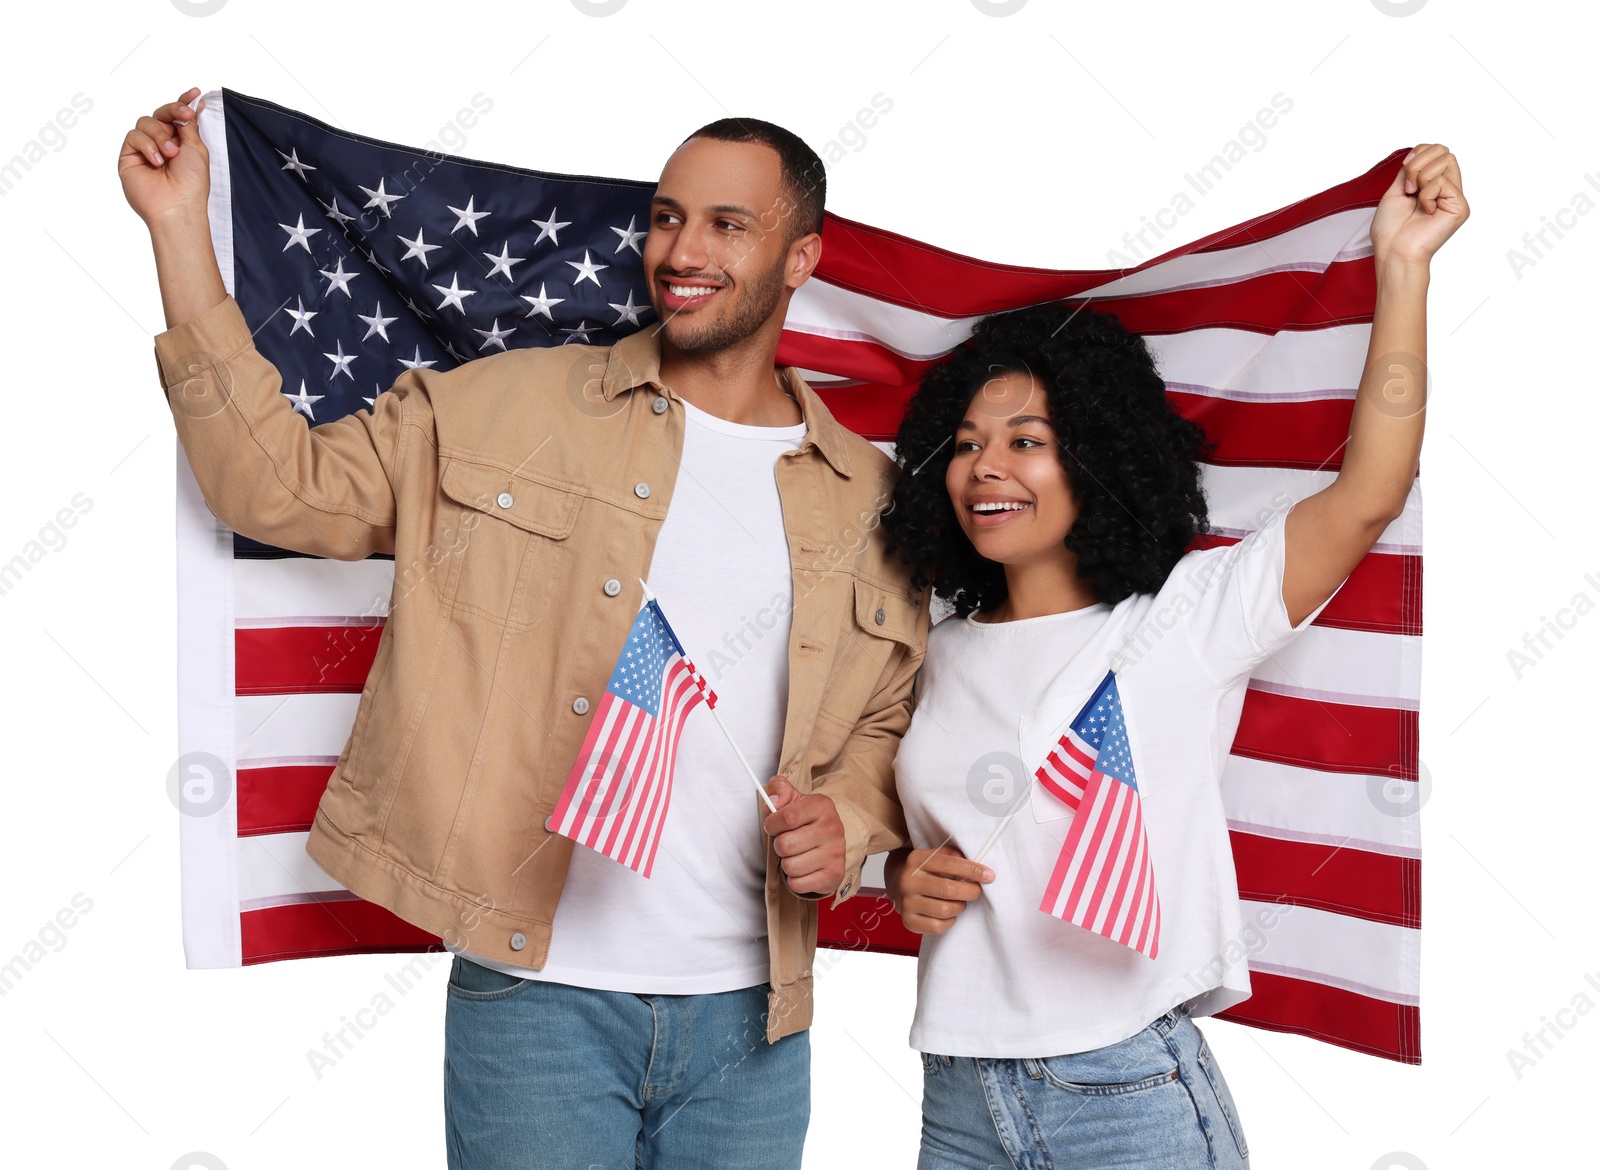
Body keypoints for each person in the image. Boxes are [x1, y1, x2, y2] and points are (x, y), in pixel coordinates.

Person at [121, 87, 929, 1170]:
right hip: (537, 1005)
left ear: (801, 259)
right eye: (667, 216)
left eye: (728, 225)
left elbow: (884, 724)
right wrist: (179, 230)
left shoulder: (866, 495)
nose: (681, 250)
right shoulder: (510, 406)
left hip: (754, 1020)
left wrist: (846, 820)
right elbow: (277, 492)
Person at [879, 144, 1466, 1169]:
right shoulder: (931, 644)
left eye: (1027, 439)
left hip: (1124, 1089)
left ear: (1096, 455)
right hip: (957, 1094)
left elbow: (1369, 491)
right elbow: (904, 830)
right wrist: (897, 873)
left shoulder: (1189, 614)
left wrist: (1402, 268)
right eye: (967, 442)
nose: (986, 467)